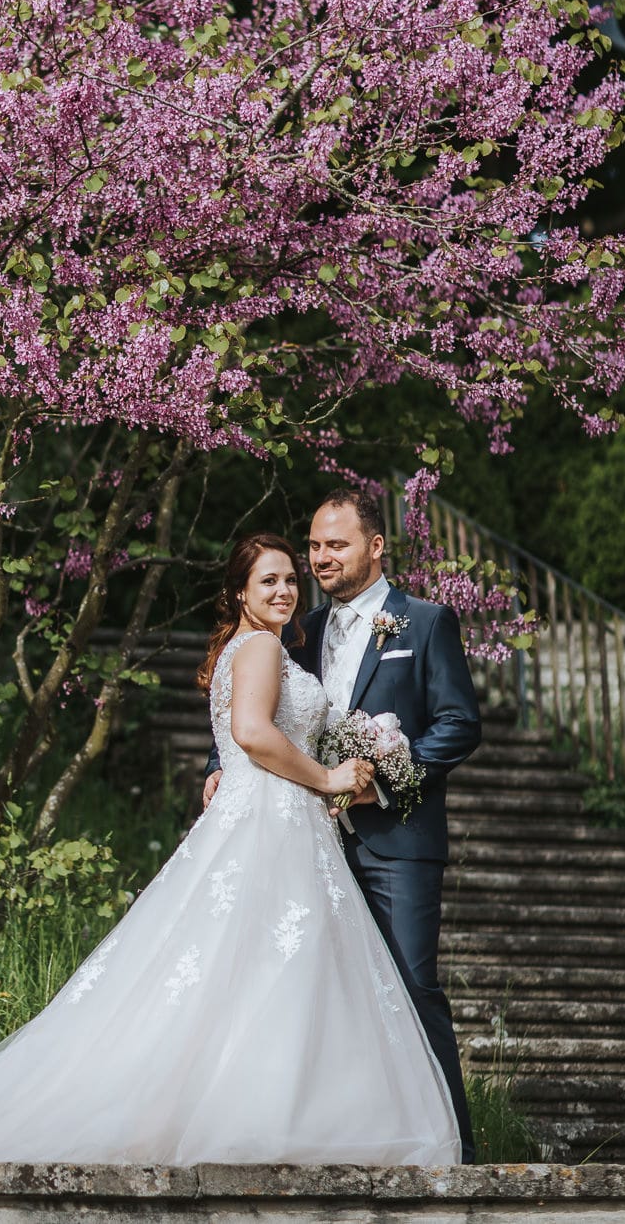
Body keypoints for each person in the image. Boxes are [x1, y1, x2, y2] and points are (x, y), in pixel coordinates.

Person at [0, 533, 460, 1169]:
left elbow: (259, 733)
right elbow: (255, 735)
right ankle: (268, 1116)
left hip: (275, 819)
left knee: (251, 974)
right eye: (268, 579)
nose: (284, 589)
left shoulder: (255, 647)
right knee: (263, 969)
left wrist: (359, 756)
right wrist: (331, 776)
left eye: (290, 579)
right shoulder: (263, 644)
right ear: (239, 591)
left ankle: (261, 1110)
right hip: (271, 818)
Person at [205, 493, 481, 1163]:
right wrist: (219, 765)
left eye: (336, 545)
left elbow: (459, 724)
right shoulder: (295, 628)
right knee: (316, 991)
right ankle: (344, 1142)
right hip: (302, 839)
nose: (320, 559)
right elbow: (260, 709)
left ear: (376, 546)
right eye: (314, 547)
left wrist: (388, 773)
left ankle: (456, 1152)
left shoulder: (425, 622)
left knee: (412, 986)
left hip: (396, 841)